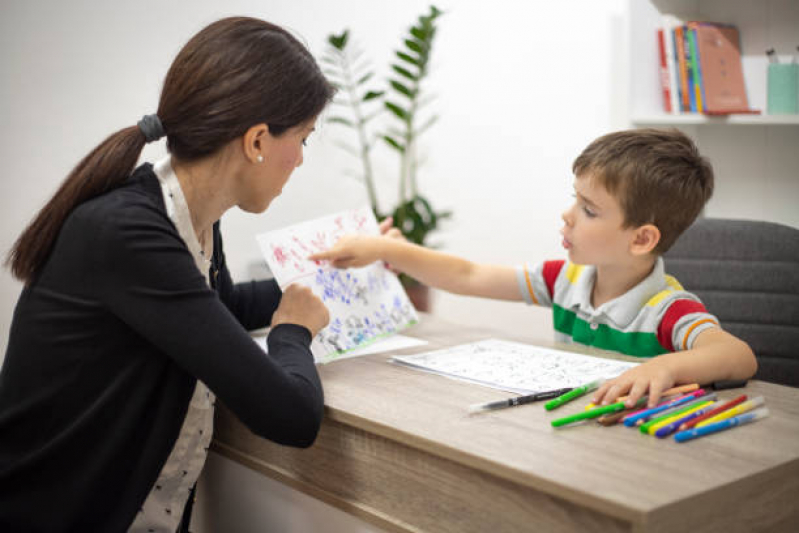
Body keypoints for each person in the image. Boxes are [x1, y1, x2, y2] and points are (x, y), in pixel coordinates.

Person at [0, 17, 335, 533]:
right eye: (304, 139)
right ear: (258, 141)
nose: (301, 161)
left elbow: (213, 311)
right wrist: (294, 332)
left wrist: (325, 276)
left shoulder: (187, 218)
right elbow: (290, 417)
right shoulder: (128, 234)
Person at [311, 129, 758, 409]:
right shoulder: (565, 279)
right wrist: (388, 250)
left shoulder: (667, 310)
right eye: (574, 200)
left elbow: (739, 356)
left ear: (641, 238)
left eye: (589, 210)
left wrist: (664, 368)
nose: (567, 216)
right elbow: (468, 276)